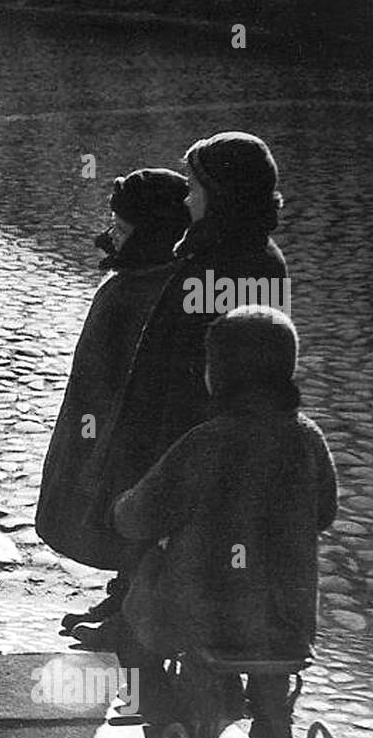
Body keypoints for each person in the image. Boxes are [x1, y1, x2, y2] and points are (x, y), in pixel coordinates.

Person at [81, 130, 288, 651]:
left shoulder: (246, 262)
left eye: (195, 188)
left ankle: (134, 626)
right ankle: (125, 597)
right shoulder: (213, 246)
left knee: (162, 517)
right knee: (139, 504)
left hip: (190, 414)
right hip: (166, 402)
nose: (187, 199)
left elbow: (235, 350)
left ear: (224, 193)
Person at [113, 307, 337, 738]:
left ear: (220, 375)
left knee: (132, 630)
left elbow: (140, 516)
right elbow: (325, 513)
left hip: (204, 613)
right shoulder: (307, 439)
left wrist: (121, 506)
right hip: (286, 617)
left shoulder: (206, 441)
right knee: (269, 650)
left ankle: (167, 734)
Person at [35, 169, 191, 637]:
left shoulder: (155, 290)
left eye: (122, 230)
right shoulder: (133, 281)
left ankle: (132, 611)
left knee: (129, 506)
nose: (110, 238)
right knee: (109, 505)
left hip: (128, 428)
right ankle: (124, 592)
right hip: (101, 420)